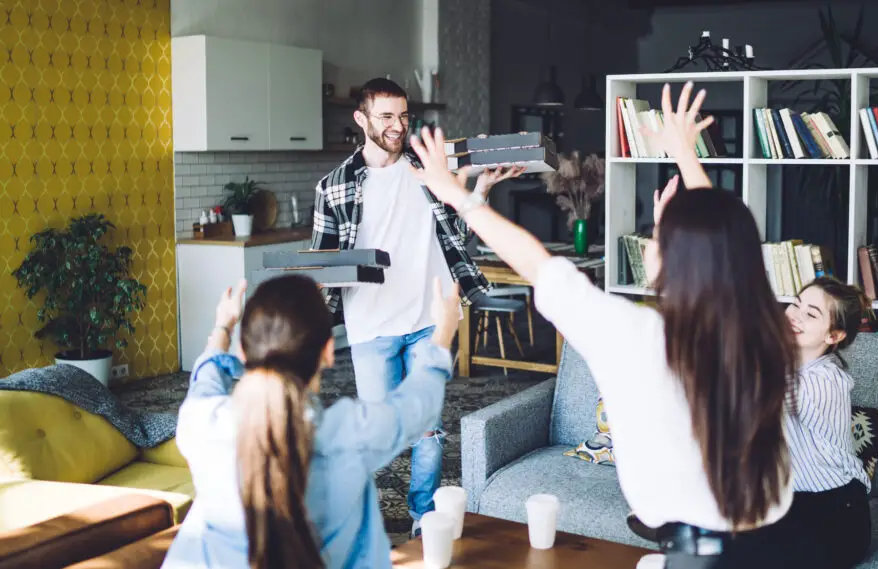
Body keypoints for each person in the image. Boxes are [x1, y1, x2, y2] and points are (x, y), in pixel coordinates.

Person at [405, 82, 806, 568]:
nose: (648, 244)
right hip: (778, 546)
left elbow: (541, 267)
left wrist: (458, 196)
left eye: (657, 236)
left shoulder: (639, 339)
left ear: (677, 260)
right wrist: (684, 154)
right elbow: (726, 247)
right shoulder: (761, 330)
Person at [309, 77, 522, 536]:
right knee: (374, 434)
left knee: (429, 428)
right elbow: (324, 266)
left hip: (430, 318)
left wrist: (481, 188)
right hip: (371, 324)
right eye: (386, 116)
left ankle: (422, 517)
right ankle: (358, 519)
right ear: (361, 119)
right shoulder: (334, 187)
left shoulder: (429, 170)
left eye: (403, 116)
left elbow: (454, 237)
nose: (397, 125)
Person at [160, 274, 463, 569]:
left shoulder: (201, 423)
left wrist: (223, 325)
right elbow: (418, 402)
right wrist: (442, 333)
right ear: (328, 352)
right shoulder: (353, 433)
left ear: (242, 351)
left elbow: (206, 379)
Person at [780, 277, 874, 568]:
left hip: (836, 515)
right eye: (796, 304)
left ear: (833, 336)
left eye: (810, 314)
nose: (795, 314)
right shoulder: (784, 364)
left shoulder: (826, 380)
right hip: (794, 503)